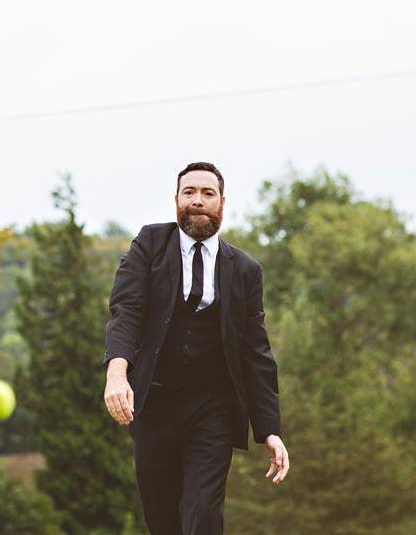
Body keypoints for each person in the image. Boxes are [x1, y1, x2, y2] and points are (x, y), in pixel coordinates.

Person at [103, 162, 289, 534]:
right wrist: (117, 371)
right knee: (163, 520)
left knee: (202, 513)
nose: (197, 201)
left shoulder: (245, 270)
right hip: (153, 405)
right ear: (176, 201)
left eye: (207, 193)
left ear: (222, 203)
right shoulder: (149, 244)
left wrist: (269, 429)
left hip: (213, 409)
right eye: (189, 193)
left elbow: (256, 351)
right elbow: (127, 310)